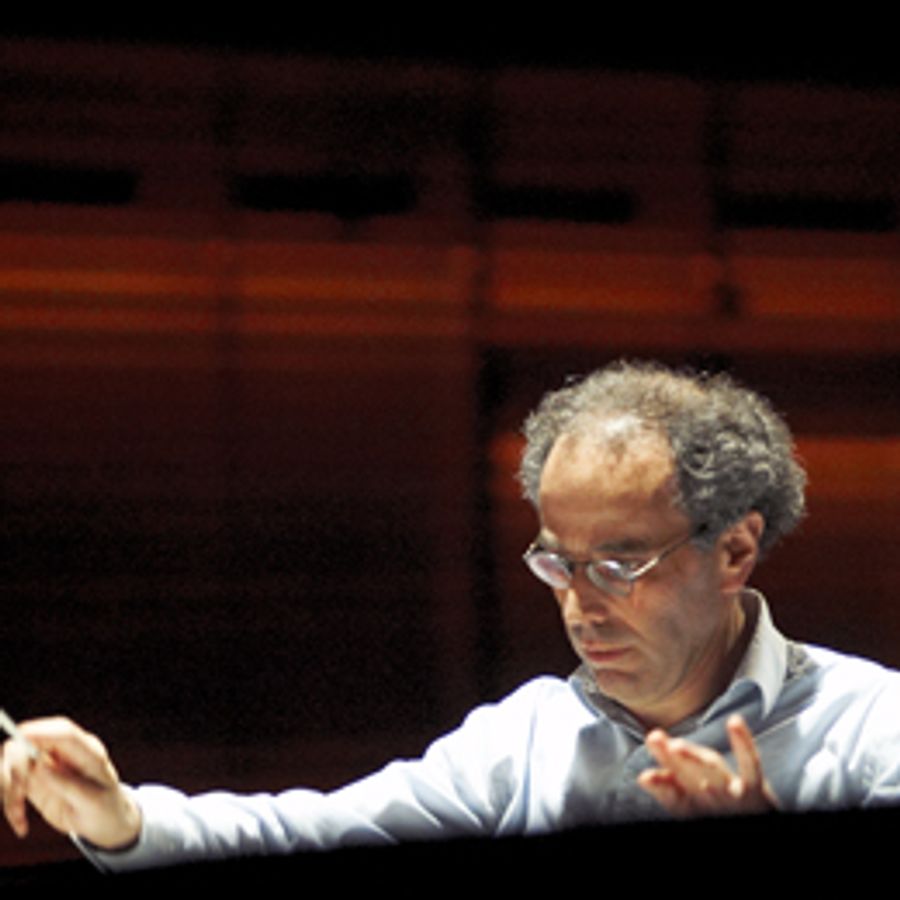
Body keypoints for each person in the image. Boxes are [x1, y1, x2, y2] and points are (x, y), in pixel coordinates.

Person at [2, 359, 899, 871]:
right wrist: (119, 819)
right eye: (558, 563)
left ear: (735, 551)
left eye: (619, 566)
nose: (579, 605)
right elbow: (305, 834)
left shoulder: (874, 730)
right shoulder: (526, 740)